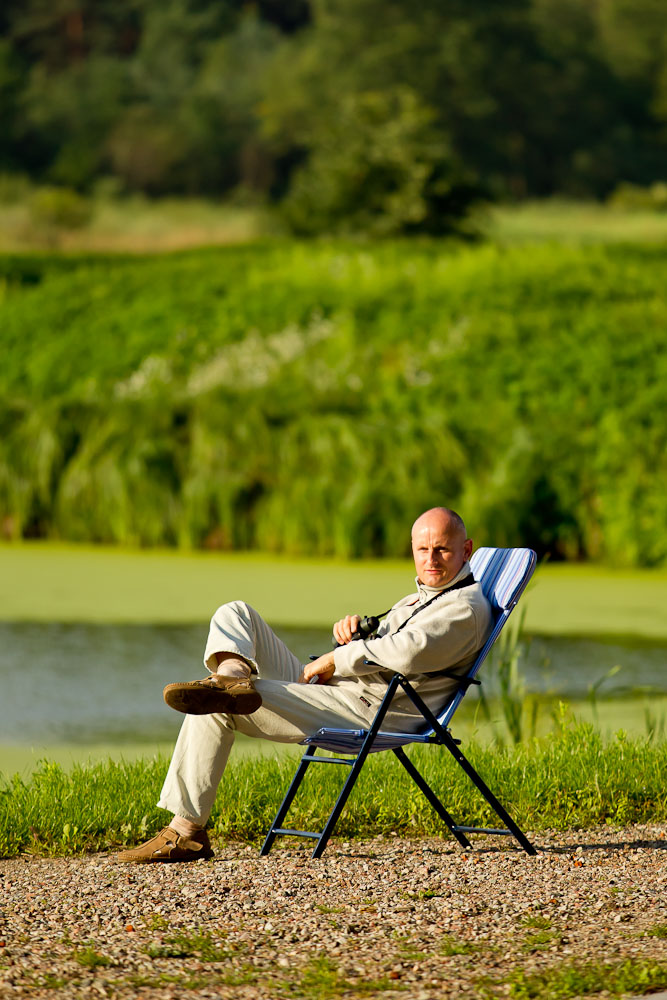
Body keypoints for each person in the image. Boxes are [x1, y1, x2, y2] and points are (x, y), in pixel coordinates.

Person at [116, 507, 492, 863]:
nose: (431, 559)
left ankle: (185, 831)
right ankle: (233, 675)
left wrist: (336, 659)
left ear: (466, 550)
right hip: (338, 690)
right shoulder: (424, 597)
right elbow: (383, 646)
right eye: (422, 549)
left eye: (442, 549)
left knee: (215, 702)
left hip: (370, 710)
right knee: (235, 612)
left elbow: (408, 653)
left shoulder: (464, 609)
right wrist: (347, 637)